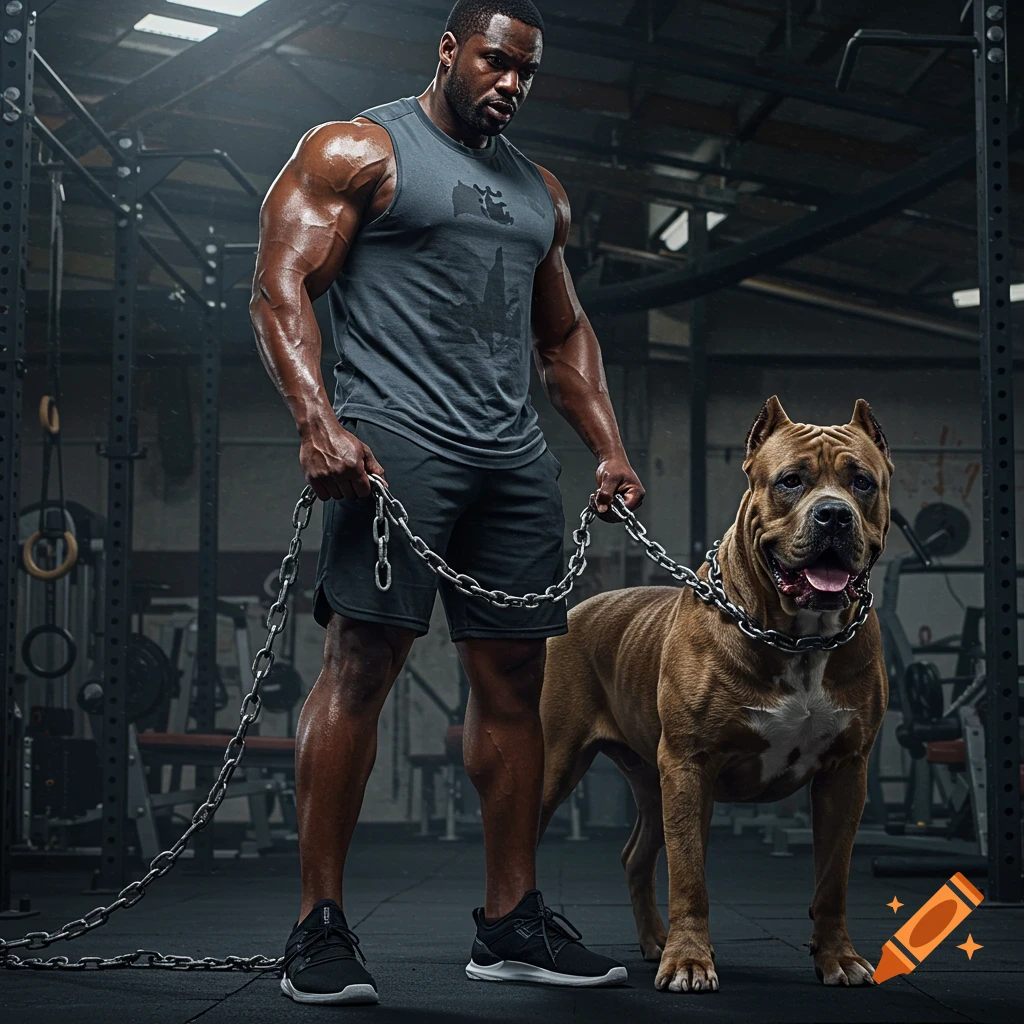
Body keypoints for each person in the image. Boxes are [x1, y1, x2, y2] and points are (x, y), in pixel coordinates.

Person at [250, 0, 645, 1006]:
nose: (510, 82)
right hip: (396, 446)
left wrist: (607, 447)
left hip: (512, 458)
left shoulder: (537, 192)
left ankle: (510, 919)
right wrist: (316, 421)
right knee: (363, 663)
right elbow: (280, 285)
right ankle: (318, 927)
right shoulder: (360, 148)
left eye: (527, 71)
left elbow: (563, 338)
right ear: (449, 50)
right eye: (495, 60)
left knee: (516, 682)